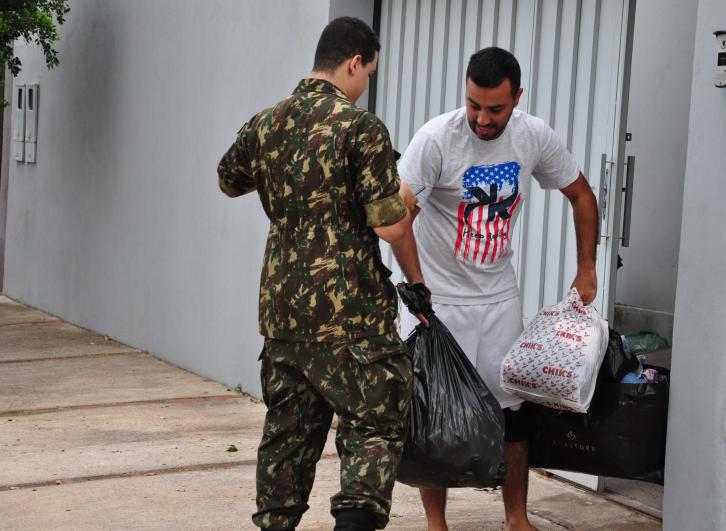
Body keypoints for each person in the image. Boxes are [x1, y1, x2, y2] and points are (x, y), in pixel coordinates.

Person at [217, 17, 425, 531]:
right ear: (355, 62)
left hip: (284, 314)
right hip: (351, 319)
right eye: (369, 73)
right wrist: (403, 200)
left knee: (287, 436)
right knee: (373, 428)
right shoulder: (361, 128)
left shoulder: (267, 123)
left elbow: (228, 180)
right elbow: (390, 229)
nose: (366, 84)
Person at [396, 47, 599, 531]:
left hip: (498, 299)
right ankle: (436, 524)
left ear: (517, 98)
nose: (482, 119)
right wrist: (416, 288)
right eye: (473, 105)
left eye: (495, 109)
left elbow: (581, 195)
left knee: (515, 414)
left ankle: (516, 518)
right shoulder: (436, 139)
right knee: (434, 413)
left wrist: (587, 268)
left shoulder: (534, 136)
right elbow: (401, 214)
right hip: (437, 302)